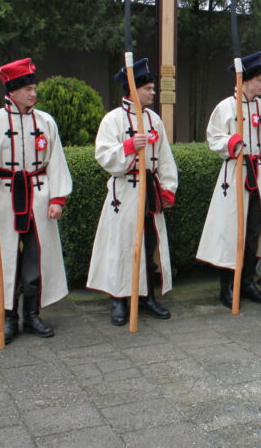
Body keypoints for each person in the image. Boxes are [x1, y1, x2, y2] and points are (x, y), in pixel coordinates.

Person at [0, 58, 72, 344]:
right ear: (12, 91)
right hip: (4, 198)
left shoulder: (45, 122)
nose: (33, 93)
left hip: (38, 196)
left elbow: (56, 161)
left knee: (36, 257)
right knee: (6, 258)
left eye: (34, 88)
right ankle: (8, 317)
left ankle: (32, 315)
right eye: (28, 89)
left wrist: (58, 197)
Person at [87, 59, 177, 325]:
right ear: (133, 90)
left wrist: (168, 187)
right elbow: (103, 156)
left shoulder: (154, 120)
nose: (153, 92)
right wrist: (127, 147)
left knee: (149, 243)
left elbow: (165, 157)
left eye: (152, 88)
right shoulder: (112, 119)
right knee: (121, 245)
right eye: (148, 88)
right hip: (124, 192)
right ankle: (118, 299)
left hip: (148, 191)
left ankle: (146, 296)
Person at [196, 52, 261, 308]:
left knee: (252, 232)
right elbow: (213, 137)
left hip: (257, 176)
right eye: (260, 79)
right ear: (245, 80)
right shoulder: (225, 107)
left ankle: (247, 282)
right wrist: (230, 142)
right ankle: (227, 286)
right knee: (230, 232)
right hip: (233, 176)